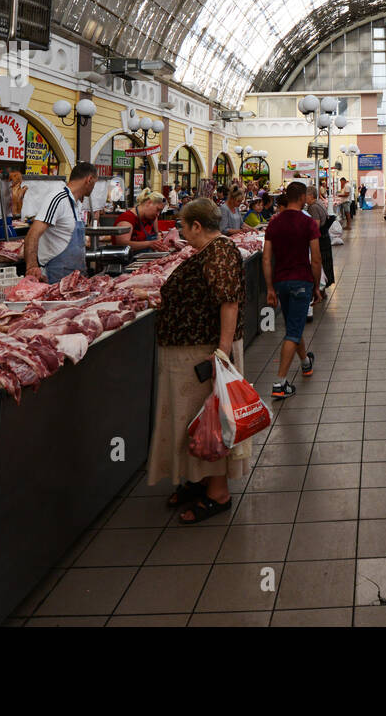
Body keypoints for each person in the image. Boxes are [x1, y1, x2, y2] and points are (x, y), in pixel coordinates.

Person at [148, 198, 250, 524]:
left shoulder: (219, 251)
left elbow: (229, 301)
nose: (180, 232)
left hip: (203, 354)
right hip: (190, 352)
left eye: (182, 225)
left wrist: (222, 351)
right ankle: (201, 480)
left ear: (196, 226)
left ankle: (217, 492)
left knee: (210, 425)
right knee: (194, 423)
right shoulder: (209, 252)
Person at [263, 181, 322, 400]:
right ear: (302, 198)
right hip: (301, 281)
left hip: (280, 282)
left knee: (293, 326)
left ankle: (306, 363)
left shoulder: (274, 223)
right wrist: (317, 286)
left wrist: (269, 287)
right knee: (293, 332)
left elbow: (267, 258)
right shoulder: (308, 223)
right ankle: (279, 383)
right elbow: (315, 259)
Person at [24, 162, 97, 283]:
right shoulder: (58, 199)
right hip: (55, 276)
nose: (94, 187)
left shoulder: (77, 204)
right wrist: (32, 267)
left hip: (75, 276)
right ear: (89, 179)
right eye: (95, 182)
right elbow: (33, 234)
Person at [306, 184, 334, 286]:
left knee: (322, 264)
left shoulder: (313, 207)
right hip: (325, 236)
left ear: (311, 195)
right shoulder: (319, 203)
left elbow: (316, 225)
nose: (304, 198)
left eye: (306, 196)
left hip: (320, 238)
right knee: (326, 263)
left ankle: (321, 290)